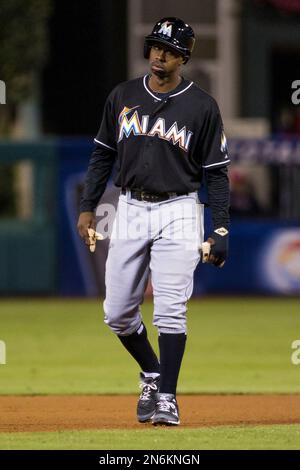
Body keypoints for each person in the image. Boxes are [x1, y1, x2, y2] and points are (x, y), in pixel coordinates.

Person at [77, 17, 230, 426]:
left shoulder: (202, 106)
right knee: (117, 313)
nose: (160, 55)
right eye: (156, 46)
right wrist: (88, 206)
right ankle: (152, 371)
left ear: (184, 57)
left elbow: (216, 172)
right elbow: (101, 156)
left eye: (170, 49)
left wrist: (220, 227)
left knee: (170, 312)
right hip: (129, 207)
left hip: (180, 208)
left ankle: (167, 397)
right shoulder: (123, 95)